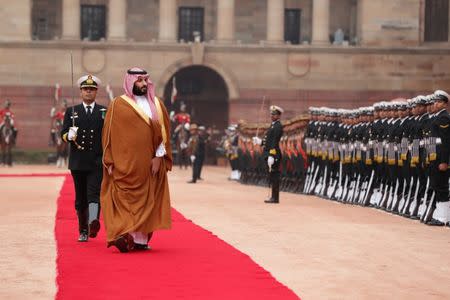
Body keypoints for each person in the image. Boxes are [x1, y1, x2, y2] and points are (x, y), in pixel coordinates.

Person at [101, 67, 172, 252]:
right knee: (124, 199)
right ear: (130, 82)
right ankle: (124, 236)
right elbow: (108, 135)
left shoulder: (157, 104)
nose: (142, 84)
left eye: (144, 81)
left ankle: (140, 241)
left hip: (149, 165)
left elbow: (163, 134)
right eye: (139, 81)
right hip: (124, 165)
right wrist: (109, 161)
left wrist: (158, 157)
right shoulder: (117, 104)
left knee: (148, 201)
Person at [61, 75, 105, 242]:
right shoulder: (72, 112)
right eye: (85, 89)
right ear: (80, 92)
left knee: (94, 194)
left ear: (96, 92)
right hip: (78, 161)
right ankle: (83, 230)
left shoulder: (104, 111)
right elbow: (62, 134)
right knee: (81, 198)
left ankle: (93, 220)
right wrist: (68, 136)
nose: (88, 91)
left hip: (96, 160)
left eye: (92, 89)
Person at [423, 90, 450, 226]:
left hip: (440, 158)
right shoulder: (436, 117)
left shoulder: (444, 117)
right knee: (436, 186)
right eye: (435, 102)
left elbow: (445, 142)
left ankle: (444, 217)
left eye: (439, 102)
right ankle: (440, 215)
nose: (436, 104)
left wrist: (445, 161)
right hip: (434, 157)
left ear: (445, 103)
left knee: (442, 187)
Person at [253, 105, 284, 203]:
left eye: (274, 114)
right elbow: (269, 141)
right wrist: (260, 142)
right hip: (269, 153)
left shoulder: (278, 126)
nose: (272, 116)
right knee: (271, 175)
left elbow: (274, 142)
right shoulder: (273, 125)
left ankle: (275, 197)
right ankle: (273, 196)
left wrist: (272, 155)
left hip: (273, 154)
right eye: (271, 114)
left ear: (278, 116)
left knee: (274, 176)